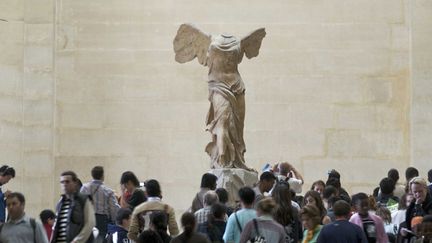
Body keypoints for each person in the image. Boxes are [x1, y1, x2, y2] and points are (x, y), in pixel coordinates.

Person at [174, 24, 265, 170]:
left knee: (237, 128)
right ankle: (222, 159)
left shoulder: (232, 43)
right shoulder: (214, 42)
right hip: (221, 87)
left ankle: (236, 160)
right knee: (222, 124)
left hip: (236, 87)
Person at [51, 171, 96, 243]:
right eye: (62, 182)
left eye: (67, 182)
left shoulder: (83, 200)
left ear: (75, 183)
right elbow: (55, 226)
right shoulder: (60, 203)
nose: (64, 184)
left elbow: (90, 223)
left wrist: (78, 240)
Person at [80, 166, 120, 239]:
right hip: (101, 219)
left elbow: (80, 204)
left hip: (87, 218)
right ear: (102, 176)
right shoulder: (108, 191)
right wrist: (114, 221)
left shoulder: (84, 188)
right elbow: (113, 208)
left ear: (92, 175)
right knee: (100, 239)